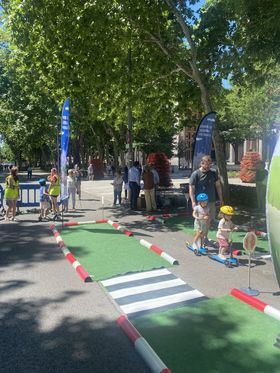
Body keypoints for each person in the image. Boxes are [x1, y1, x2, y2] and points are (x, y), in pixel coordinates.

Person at [189, 155, 224, 239]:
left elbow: (218, 185)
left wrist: (221, 198)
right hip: (200, 203)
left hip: (211, 201)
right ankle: (197, 239)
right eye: (206, 164)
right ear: (201, 163)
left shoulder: (213, 172)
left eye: (209, 164)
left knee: (208, 221)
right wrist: (193, 202)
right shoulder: (196, 174)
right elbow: (191, 188)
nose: (208, 166)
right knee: (200, 222)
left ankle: (204, 238)